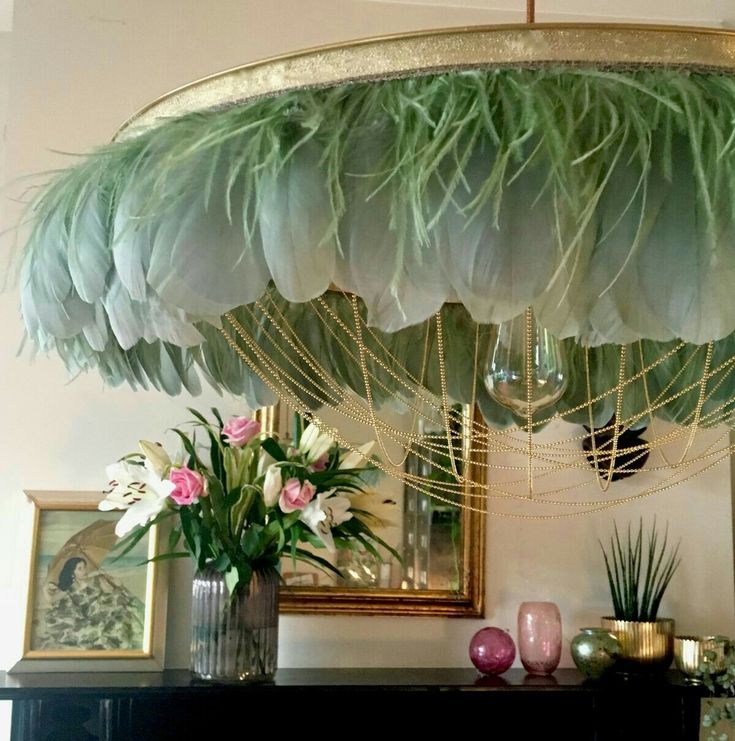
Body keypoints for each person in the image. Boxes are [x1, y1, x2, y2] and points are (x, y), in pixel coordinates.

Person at [35, 555, 145, 651]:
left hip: (102, 608)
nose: (84, 571)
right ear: (72, 572)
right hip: (91, 614)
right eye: (80, 568)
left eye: (84, 567)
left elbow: (111, 590)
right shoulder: (69, 588)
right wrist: (44, 589)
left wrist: (111, 580)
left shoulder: (94, 579)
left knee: (120, 602)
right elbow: (51, 600)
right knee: (117, 611)